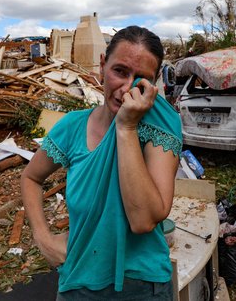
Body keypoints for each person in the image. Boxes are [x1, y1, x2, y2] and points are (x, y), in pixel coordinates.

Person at [21, 26, 182, 300]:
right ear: (101, 66)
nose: (126, 88)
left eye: (141, 79)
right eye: (120, 71)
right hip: (79, 280)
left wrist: (127, 127)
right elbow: (31, 178)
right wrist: (43, 238)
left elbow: (143, 220)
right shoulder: (73, 126)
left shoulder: (161, 126)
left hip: (144, 287)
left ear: (154, 85)